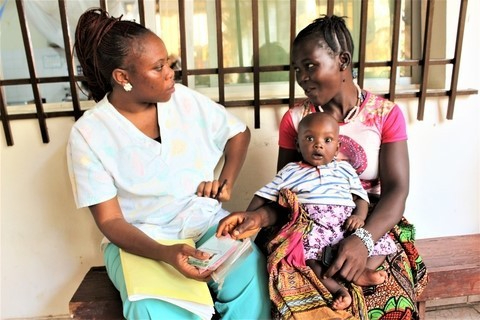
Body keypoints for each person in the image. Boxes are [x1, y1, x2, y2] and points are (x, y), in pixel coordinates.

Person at [217, 15, 427, 319]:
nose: (302, 77)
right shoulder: (296, 120)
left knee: (388, 296)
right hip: (307, 221)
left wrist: (363, 241)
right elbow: (287, 197)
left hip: (371, 218)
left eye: (310, 66)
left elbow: (397, 190)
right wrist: (257, 216)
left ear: (342, 60)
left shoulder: (384, 114)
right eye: (297, 70)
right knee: (295, 290)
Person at [67, 8, 270, 320]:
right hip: (142, 239)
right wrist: (166, 253)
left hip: (202, 222)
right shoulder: (88, 134)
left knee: (250, 278)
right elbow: (110, 222)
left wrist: (226, 181)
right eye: (157, 67)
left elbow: (238, 133)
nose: (170, 73)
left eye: (169, 63)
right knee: (151, 307)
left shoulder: (183, 100)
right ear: (123, 78)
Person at [245, 112, 397, 311]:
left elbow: (360, 198)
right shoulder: (290, 171)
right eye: (309, 139)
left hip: (344, 223)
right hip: (312, 226)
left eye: (327, 140)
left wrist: (359, 217)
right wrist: (247, 216)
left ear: (337, 148)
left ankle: (364, 270)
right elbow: (265, 195)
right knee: (306, 258)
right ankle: (338, 290)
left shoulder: (345, 169)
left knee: (382, 243)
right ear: (298, 145)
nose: (318, 145)